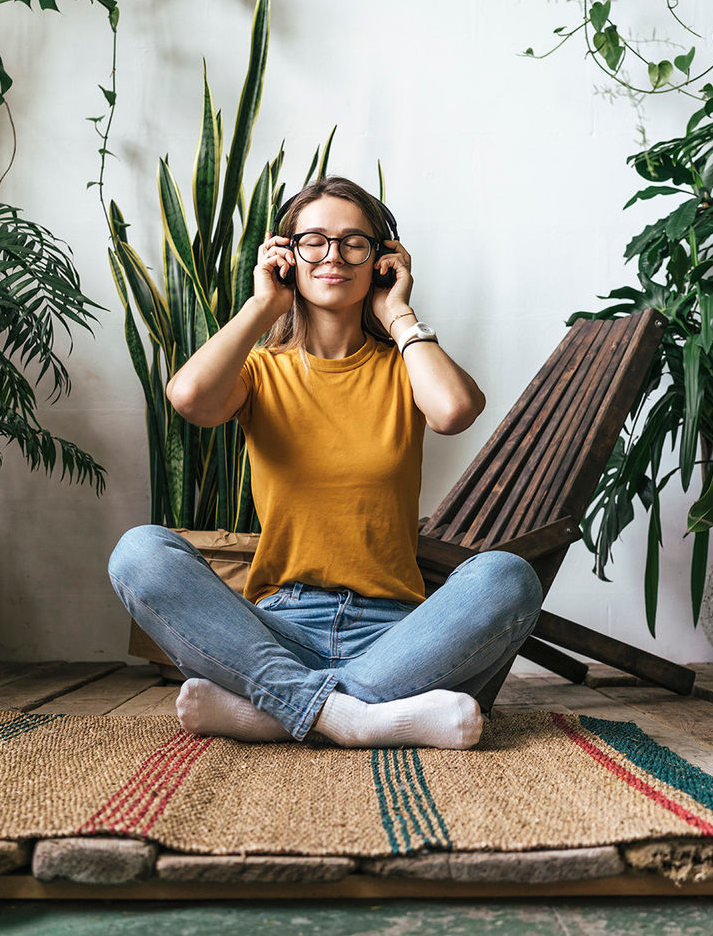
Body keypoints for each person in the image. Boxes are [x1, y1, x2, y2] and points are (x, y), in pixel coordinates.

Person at [108, 176, 541, 749]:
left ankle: (275, 710)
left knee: (506, 577)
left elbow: (455, 410)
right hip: (277, 628)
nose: (333, 255)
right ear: (286, 257)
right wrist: (263, 305)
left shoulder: (405, 366)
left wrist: (400, 314)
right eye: (313, 240)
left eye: (354, 242)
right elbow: (189, 398)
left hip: (400, 635)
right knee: (139, 551)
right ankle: (359, 718)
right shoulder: (261, 372)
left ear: (382, 260)